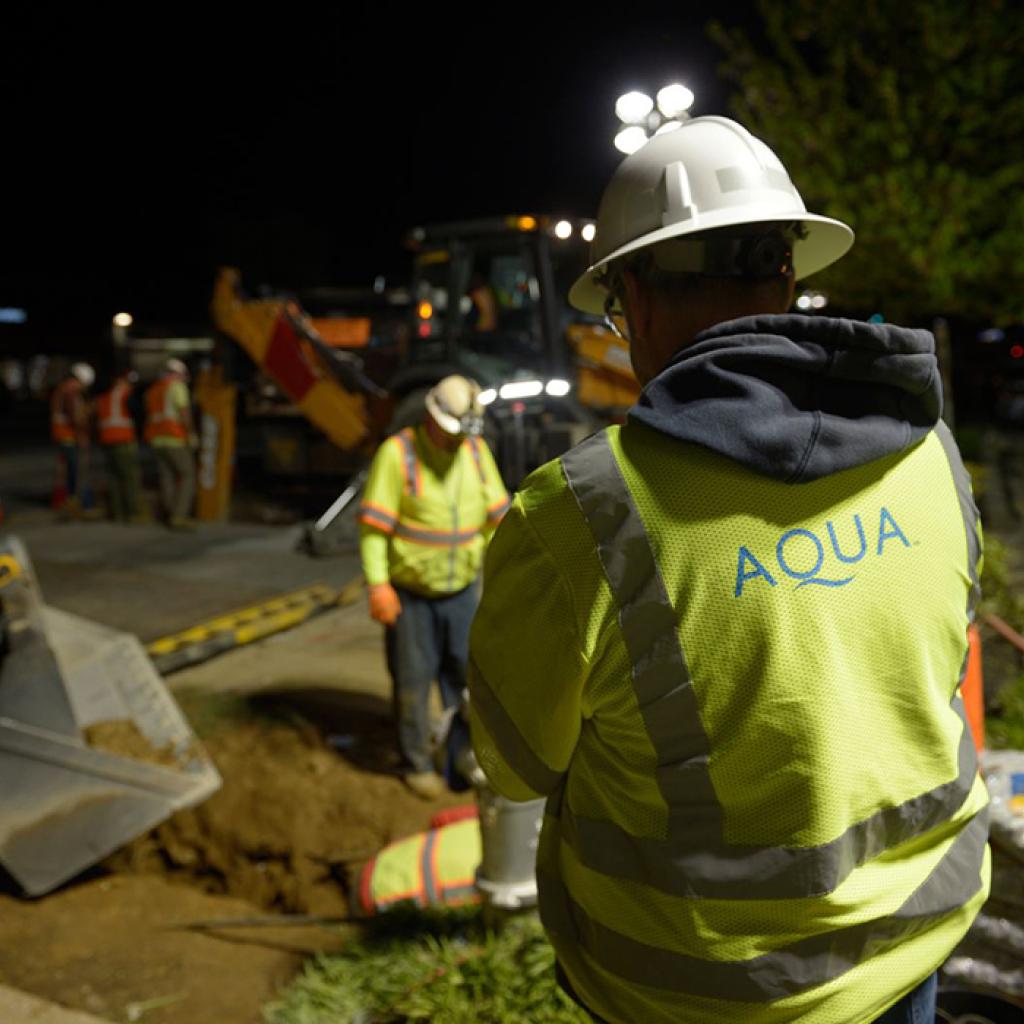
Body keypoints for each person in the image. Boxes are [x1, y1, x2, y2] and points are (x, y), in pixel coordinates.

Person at [468, 116, 989, 1024]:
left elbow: (513, 767)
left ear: (635, 291)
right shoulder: (932, 450)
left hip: (700, 992)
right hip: (915, 945)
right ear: (786, 274)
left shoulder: (583, 512)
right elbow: (933, 670)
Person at [358, 375, 509, 800]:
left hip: (461, 592)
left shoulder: (476, 453)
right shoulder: (398, 455)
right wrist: (378, 587)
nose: (458, 440)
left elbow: (497, 521)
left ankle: (457, 758)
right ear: (431, 417)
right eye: (451, 430)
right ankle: (417, 763)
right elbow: (373, 531)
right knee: (413, 681)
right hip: (410, 596)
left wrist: (504, 581)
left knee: (464, 681)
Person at [144, 358, 197, 529]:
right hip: (174, 438)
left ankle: (169, 512)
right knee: (187, 475)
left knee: (167, 478)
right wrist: (191, 434)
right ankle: (179, 516)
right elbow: (184, 413)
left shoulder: (153, 390)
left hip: (156, 440)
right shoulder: (177, 387)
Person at [97, 368, 147, 522]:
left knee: (114, 478)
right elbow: (138, 413)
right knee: (130, 478)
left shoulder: (104, 397)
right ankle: (133, 513)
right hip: (123, 440)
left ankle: (117, 513)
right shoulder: (126, 396)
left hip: (107, 440)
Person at [50, 362, 98, 517]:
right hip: (69, 436)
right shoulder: (70, 392)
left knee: (71, 472)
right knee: (78, 472)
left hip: (63, 436)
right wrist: (88, 412)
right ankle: (85, 505)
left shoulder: (61, 390)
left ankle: (73, 502)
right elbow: (75, 418)